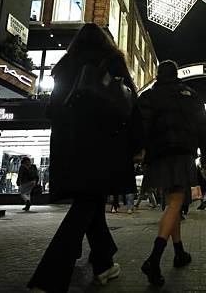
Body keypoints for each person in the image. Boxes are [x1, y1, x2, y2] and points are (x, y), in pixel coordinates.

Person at [27, 23, 144, 290]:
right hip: (103, 144)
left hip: (69, 146)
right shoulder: (111, 61)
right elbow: (130, 104)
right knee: (86, 206)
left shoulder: (63, 66)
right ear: (105, 41)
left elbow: (51, 110)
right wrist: (137, 144)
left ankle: (104, 264)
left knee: (90, 202)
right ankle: (49, 277)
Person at [138, 60, 206, 286]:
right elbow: (203, 126)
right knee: (176, 203)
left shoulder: (149, 96)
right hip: (182, 153)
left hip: (158, 156)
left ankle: (179, 252)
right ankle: (154, 259)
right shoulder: (190, 95)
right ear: (177, 74)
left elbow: (141, 126)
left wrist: (139, 152)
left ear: (158, 75)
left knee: (173, 203)